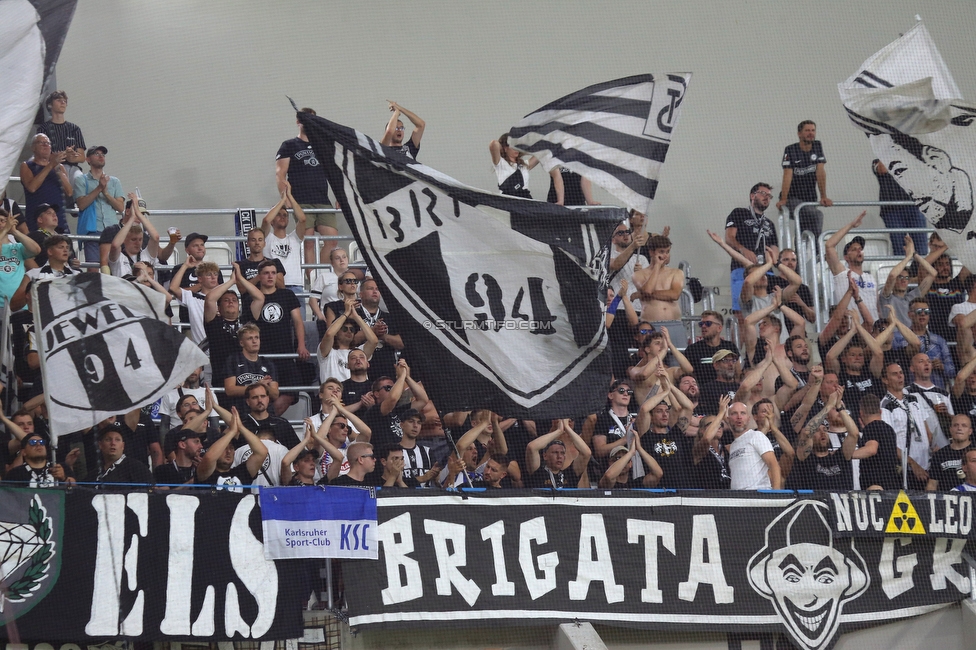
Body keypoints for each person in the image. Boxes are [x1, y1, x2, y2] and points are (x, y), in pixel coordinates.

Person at [276, 106, 338, 273]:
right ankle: (311, 279)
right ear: (298, 121)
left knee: (332, 240)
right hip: (301, 200)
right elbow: (280, 173)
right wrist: (286, 198)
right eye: (305, 119)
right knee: (308, 241)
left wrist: (340, 196)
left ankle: (322, 276)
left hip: (322, 200)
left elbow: (335, 173)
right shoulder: (289, 145)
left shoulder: (322, 145)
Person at [242, 259, 308, 413]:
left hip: (285, 355)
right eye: (266, 273)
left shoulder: (287, 294)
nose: (270, 276)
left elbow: (298, 322)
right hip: (262, 357)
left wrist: (301, 344)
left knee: (291, 392)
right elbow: (247, 328)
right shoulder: (250, 299)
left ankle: (266, 419)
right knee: (260, 393)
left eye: (273, 273)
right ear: (259, 276)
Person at [206, 264, 265, 392]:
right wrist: (231, 281)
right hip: (221, 378)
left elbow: (260, 298)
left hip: (246, 377)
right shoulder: (213, 323)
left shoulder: (246, 322)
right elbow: (210, 299)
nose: (231, 302)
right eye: (226, 300)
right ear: (219, 308)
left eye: (234, 300)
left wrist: (241, 279)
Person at [724, 183, 779, 313]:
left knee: (768, 310)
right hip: (741, 268)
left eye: (770, 196)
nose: (767, 198)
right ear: (752, 195)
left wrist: (772, 258)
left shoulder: (769, 223)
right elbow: (729, 238)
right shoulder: (739, 213)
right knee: (742, 312)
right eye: (763, 193)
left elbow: (774, 247)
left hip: (765, 272)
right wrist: (743, 250)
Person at [776, 120, 832, 240]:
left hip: (810, 199)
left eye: (813, 130)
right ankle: (818, 251)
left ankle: (801, 256)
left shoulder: (817, 146)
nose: (811, 133)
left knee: (805, 227)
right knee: (817, 215)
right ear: (799, 134)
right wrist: (784, 199)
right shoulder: (790, 150)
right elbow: (787, 175)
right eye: (807, 130)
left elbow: (820, 172)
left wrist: (823, 196)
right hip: (792, 199)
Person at [880, 362, 932, 490]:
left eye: (901, 373)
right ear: (885, 380)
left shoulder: (914, 399)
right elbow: (889, 442)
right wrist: (912, 464)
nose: (900, 377)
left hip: (927, 464)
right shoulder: (885, 406)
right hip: (907, 470)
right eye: (894, 374)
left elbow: (927, 431)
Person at [72, 146, 124, 263]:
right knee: (93, 267)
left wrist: (106, 193)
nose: (101, 156)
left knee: (114, 268)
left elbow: (120, 208)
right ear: (88, 159)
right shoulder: (81, 180)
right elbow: (81, 205)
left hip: (113, 230)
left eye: (103, 154)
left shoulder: (114, 181)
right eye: (96, 154)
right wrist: (99, 188)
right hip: (92, 229)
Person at [632, 235, 686, 347]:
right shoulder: (639, 274)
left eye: (667, 251)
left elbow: (674, 295)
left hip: (674, 323)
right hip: (650, 325)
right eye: (661, 252)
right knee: (652, 360)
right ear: (651, 252)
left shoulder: (676, 272)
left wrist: (641, 294)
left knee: (677, 362)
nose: (665, 255)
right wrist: (657, 266)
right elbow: (647, 290)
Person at [825, 211, 878, 323]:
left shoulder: (871, 278)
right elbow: (829, 245)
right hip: (851, 329)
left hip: (873, 330)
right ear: (846, 257)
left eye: (860, 249)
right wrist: (851, 226)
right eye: (854, 249)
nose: (859, 251)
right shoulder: (842, 273)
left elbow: (877, 306)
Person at [197, 407, 269, 490]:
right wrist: (232, 432)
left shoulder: (242, 472)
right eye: (224, 448)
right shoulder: (206, 474)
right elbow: (209, 457)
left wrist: (241, 427)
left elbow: (262, 452)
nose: (228, 452)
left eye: (231, 448)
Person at [892, 298, 955, 389]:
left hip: (936, 392)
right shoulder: (898, 337)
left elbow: (952, 370)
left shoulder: (939, 340)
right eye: (918, 311)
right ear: (910, 315)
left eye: (926, 311)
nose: (922, 314)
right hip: (908, 391)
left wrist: (941, 366)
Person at [260, 188, 307, 308]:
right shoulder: (266, 238)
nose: (282, 217)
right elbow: (265, 220)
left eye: (285, 215)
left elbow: (302, 219)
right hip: (274, 286)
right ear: (273, 221)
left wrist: (290, 197)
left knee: (299, 325)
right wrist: (282, 201)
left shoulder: (294, 238)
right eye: (278, 215)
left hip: (296, 286)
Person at [873, 158, 929, 256]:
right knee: (899, 247)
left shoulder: (910, 156)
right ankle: (902, 270)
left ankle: (921, 269)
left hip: (915, 207)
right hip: (892, 210)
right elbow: (882, 169)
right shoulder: (877, 161)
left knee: (921, 248)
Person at [223, 324, 281, 415]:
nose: (254, 341)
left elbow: (275, 394)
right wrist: (256, 386)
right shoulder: (233, 360)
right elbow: (230, 390)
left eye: (257, 337)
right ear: (241, 343)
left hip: (265, 415)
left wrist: (264, 387)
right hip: (241, 414)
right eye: (250, 338)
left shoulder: (268, 363)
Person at [878, 236, 936, 327]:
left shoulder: (912, 297)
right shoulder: (886, 297)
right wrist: (908, 257)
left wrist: (915, 254)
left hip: (910, 338)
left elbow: (933, 273)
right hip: (894, 339)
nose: (904, 280)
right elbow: (892, 275)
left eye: (906, 278)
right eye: (900, 277)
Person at [317, 297, 378, 383]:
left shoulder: (359, 352)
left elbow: (374, 341)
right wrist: (346, 313)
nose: (349, 331)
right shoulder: (328, 351)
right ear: (337, 332)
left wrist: (356, 316)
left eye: (352, 330)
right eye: (344, 329)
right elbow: (329, 334)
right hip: (334, 394)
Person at [20, 133, 72, 233]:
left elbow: (69, 192)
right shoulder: (27, 165)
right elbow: (32, 188)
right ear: (33, 147)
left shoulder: (59, 167)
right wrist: (51, 164)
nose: (45, 145)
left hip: (57, 217)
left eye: (48, 143)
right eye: (41, 143)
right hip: (37, 217)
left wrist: (56, 168)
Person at [36, 90, 86, 192]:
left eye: (64, 101)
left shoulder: (74, 128)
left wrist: (72, 157)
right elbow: (42, 155)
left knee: (81, 180)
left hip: (73, 167)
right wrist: (64, 155)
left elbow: (82, 157)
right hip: (53, 166)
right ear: (50, 105)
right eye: (59, 100)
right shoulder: (43, 129)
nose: (63, 102)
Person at [727, 401, 781, 490]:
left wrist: (776, 494)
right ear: (728, 419)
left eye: (743, 413)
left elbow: (774, 465)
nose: (739, 417)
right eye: (734, 413)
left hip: (758, 495)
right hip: (739, 498)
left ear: (748, 418)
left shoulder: (757, 436)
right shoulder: (733, 446)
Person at [524, 419, 591, 489]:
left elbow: (586, 453)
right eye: (555, 452)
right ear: (545, 455)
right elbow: (531, 447)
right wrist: (559, 431)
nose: (559, 456)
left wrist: (567, 427)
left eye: (562, 453)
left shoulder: (570, 474)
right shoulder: (539, 473)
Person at [108, 195, 162, 277]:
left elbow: (156, 237)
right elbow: (115, 245)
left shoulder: (146, 255)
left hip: (146, 289)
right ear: (124, 240)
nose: (138, 243)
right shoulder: (119, 258)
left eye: (140, 240)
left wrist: (138, 213)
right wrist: (132, 218)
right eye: (133, 239)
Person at [855, 393, 900, 490]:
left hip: (875, 488)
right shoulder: (889, 429)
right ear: (880, 411)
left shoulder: (871, 427)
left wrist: (845, 454)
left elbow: (871, 449)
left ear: (861, 413)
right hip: (891, 485)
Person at [0, 213, 40, 318]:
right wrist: (4, 230)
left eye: (4, 221)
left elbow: (36, 250)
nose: (3, 223)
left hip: (19, 305)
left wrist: (14, 231)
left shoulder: (17, 247)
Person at [684, 311, 739, 385]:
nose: (703, 326)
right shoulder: (693, 349)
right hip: (703, 392)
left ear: (719, 328)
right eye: (701, 324)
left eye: (708, 323)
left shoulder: (730, 347)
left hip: (727, 390)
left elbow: (738, 373)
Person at [94, 424, 155, 489]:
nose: (113, 443)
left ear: (123, 445)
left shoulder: (138, 469)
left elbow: (151, 492)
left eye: (117, 440)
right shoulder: (94, 472)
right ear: (100, 445)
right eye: (108, 440)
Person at [242, 382, 300, 450]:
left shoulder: (282, 423)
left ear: (268, 399)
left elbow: (297, 452)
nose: (260, 400)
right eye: (255, 397)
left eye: (263, 396)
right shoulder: (242, 426)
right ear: (248, 401)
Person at [3, 432, 73, 487]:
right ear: (23, 452)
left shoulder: (58, 467)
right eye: (33, 442)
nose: (39, 444)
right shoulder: (15, 473)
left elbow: (76, 489)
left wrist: (64, 478)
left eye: (42, 442)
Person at [489, 133, 548, 199]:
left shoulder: (524, 165)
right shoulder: (501, 163)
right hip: (508, 200)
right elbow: (494, 144)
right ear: (505, 148)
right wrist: (504, 144)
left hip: (525, 200)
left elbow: (542, 152)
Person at [926, 414, 973, 492]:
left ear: (970, 431)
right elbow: (932, 484)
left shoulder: (974, 451)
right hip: (947, 500)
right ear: (950, 429)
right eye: (956, 425)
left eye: (964, 426)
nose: (959, 428)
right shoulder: (940, 454)